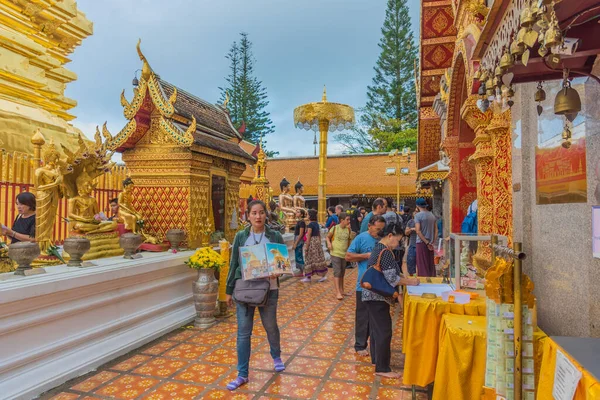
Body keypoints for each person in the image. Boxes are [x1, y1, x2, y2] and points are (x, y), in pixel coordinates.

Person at [225, 200, 286, 390]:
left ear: (266, 214)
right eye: (254, 213)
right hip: (244, 290)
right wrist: (228, 291)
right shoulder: (241, 237)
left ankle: (276, 355)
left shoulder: (274, 235)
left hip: (269, 289)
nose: (258, 216)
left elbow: (282, 262)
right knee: (243, 333)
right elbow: (234, 262)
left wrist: (279, 271)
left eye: (261, 213)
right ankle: (242, 374)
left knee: (270, 326)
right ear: (248, 216)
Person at [363, 222, 419, 378]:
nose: (398, 244)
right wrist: (410, 282)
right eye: (397, 240)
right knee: (384, 331)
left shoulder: (377, 248)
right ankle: (382, 368)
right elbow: (392, 279)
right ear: (389, 236)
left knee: (376, 329)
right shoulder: (385, 252)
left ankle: (376, 359)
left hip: (370, 294)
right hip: (377, 296)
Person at [345, 215, 385, 357]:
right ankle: (360, 345)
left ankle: (376, 346)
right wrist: (366, 256)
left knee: (377, 317)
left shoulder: (384, 239)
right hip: (363, 284)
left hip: (380, 285)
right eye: (377, 229)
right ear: (369, 226)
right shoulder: (361, 238)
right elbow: (348, 256)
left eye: (382, 230)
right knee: (363, 316)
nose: (379, 232)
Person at [326, 212, 352, 300]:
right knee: (337, 272)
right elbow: (327, 237)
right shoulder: (335, 228)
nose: (349, 221)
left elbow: (349, 241)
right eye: (347, 220)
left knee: (342, 273)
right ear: (342, 220)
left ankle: (342, 290)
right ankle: (337, 292)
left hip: (344, 254)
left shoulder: (348, 230)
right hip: (335, 253)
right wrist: (329, 244)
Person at [302, 209, 328, 283]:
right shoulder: (316, 223)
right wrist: (319, 243)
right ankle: (323, 275)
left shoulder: (310, 225)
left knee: (309, 258)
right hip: (317, 242)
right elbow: (319, 234)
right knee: (319, 258)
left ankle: (308, 276)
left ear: (310, 216)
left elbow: (309, 235)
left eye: (307, 214)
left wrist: (306, 247)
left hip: (312, 242)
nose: (307, 216)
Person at [415, 198, 438, 277]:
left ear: (417, 206)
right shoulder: (432, 215)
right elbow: (436, 230)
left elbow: (418, 231)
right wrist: (432, 242)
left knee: (422, 264)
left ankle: (424, 283)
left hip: (421, 243)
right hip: (431, 243)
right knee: (430, 264)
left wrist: (426, 242)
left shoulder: (418, 216)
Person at [404, 209, 419, 275]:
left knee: (420, 264)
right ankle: (412, 276)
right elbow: (406, 232)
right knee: (410, 262)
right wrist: (411, 229)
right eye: (415, 211)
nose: (415, 212)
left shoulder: (422, 221)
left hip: (420, 244)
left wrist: (415, 229)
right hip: (412, 244)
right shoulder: (410, 222)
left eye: (417, 211)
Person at [292, 209, 306, 273]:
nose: (296, 213)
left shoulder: (302, 222)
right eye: (296, 212)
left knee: (299, 255)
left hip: (299, 239)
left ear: (301, 214)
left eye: (298, 212)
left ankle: (302, 271)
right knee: (297, 254)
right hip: (296, 238)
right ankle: (301, 270)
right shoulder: (299, 221)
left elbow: (301, 234)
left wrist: (296, 243)